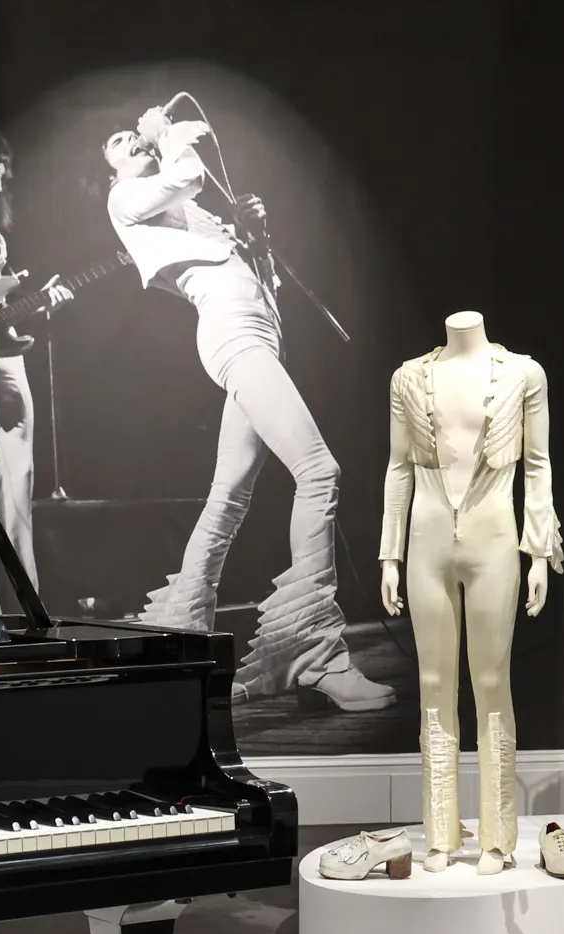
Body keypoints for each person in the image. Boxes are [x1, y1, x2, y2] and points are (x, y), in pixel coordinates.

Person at [102, 109, 392, 710]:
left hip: (259, 334)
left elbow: (260, 278)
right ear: (113, 170)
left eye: (133, 133)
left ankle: (184, 653)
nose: (128, 137)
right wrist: (167, 135)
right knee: (319, 472)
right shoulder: (126, 198)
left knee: (227, 499)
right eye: (117, 141)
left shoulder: (188, 213)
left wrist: (252, 236)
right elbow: (188, 176)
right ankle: (317, 658)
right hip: (233, 338)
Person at [0, 136, 72, 588]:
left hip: (6, 359)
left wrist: (39, 302)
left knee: (18, 480)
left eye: (4, 164)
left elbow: (2, 310)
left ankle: (20, 599)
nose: (0, 174)